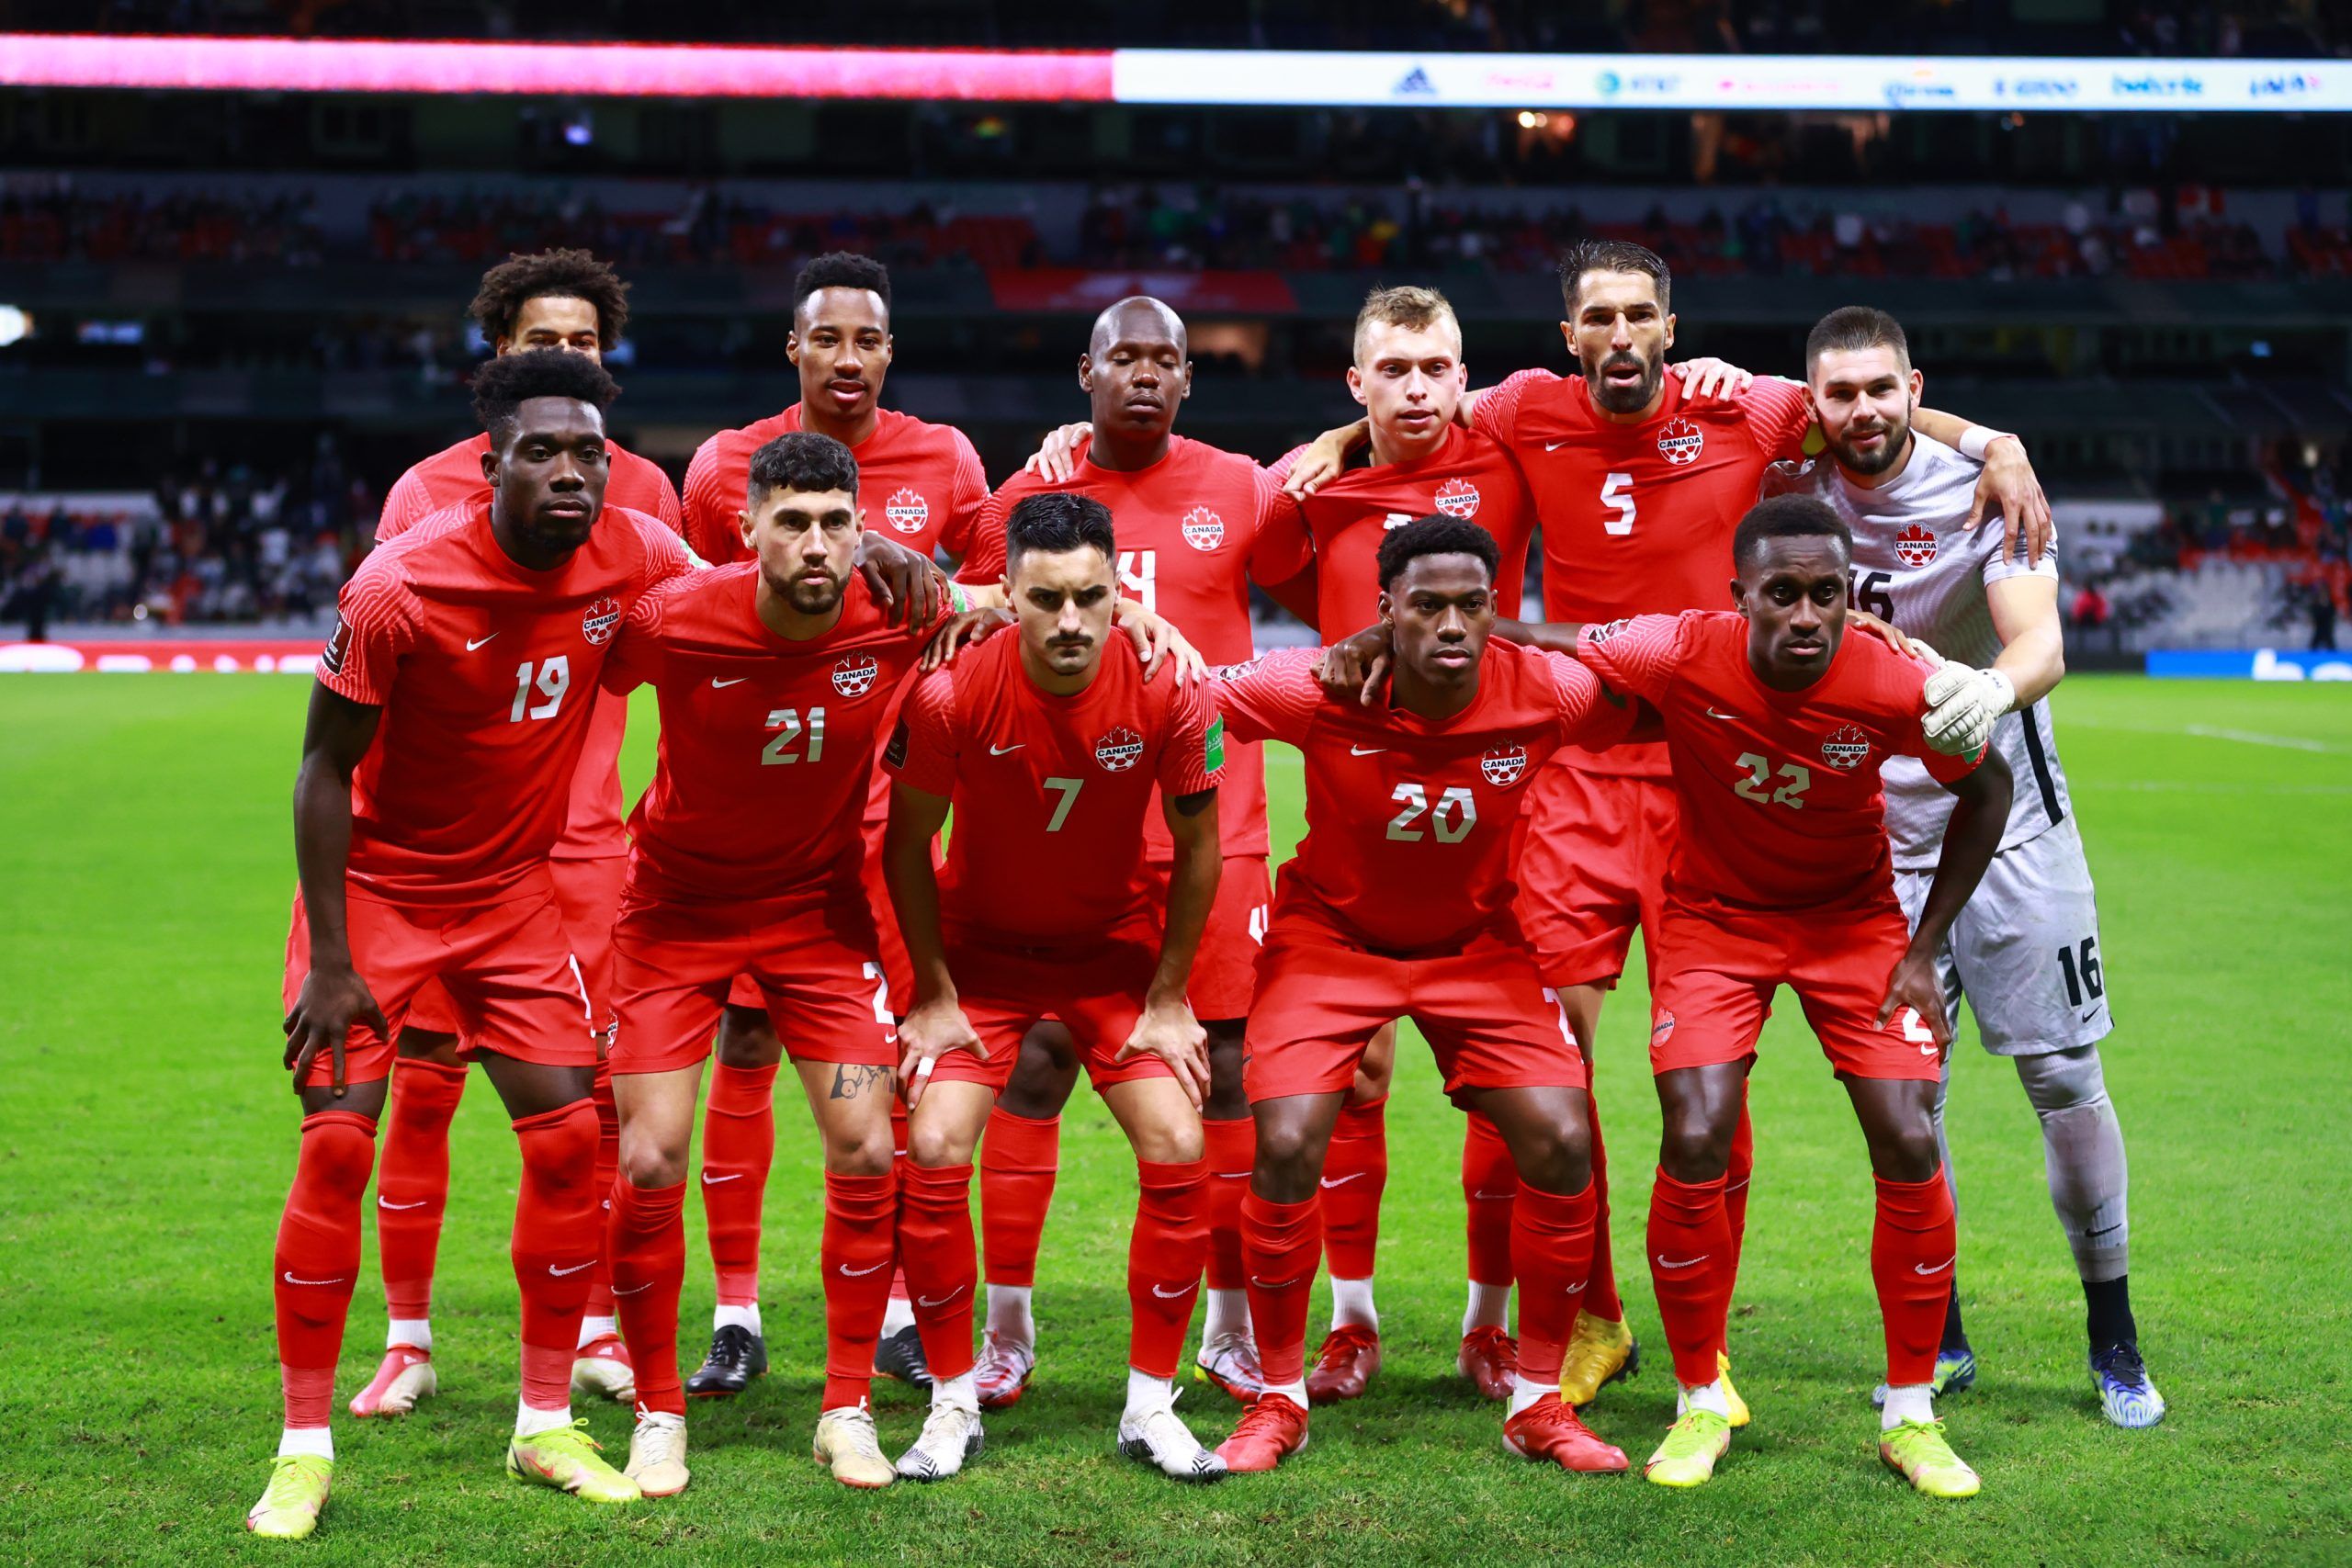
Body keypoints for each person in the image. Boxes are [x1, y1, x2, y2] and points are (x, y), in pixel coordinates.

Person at [1298, 239, 2051, 1419]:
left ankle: (1707, 1345)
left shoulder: (1742, 406)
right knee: (1549, 1055)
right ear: (1568, 334)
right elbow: (1422, 406)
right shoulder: (1526, 406)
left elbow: (1873, 412)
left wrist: (1990, 444)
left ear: (1668, 322)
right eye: (1595, 316)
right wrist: (1337, 441)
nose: (1617, 336)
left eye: (1638, 315)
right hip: (1579, 770)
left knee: (1714, 1083)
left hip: (1717, 769)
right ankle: (1587, 1317)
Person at [251, 350, 693, 1538]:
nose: (570, 472)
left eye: (590, 453)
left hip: (511, 898)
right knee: (340, 1145)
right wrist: (336, 958)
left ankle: (543, 1422)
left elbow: (741, 617)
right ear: (487, 466)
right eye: (542, 451)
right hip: (380, 897)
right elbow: (322, 769)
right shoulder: (398, 587)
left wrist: (922, 588)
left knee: (565, 1145)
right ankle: (303, 1448)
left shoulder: (641, 554)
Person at [1575, 494, 2013, 1498]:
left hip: (1851, 923)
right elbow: (1565, 639)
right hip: (1712, 920)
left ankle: (1910, 1414)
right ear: (1741, 600)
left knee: (1906, 1134)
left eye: (1826, 593)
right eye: (1783, 594)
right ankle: (1698, 1399)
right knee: (1695, 1128)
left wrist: (1921, 950)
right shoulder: (1682, 649)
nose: (1807, 614)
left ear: (1848, 597)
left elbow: (1986, 794)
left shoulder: (1895, 678)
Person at [1787, 305, 2163, 1428]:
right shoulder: (1781, 481)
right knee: (1910, 1097)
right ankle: (1938, 1338)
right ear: (1810, 402)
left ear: (1914, 387)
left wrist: (1986, 694)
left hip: (2007, 827)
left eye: (1881, 390)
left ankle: (2115, 1337)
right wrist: (1992, 429)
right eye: (1837, 394)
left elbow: (2039, 641)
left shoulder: (1984, 490)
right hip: (1864, 841)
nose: (1861, 411)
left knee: (2059, 1077)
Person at [1207, 516, 1642, 1477]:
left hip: (1477, 946)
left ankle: (1536, 1400)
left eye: (1471, 606)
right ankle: (1277, 1397)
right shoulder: (1308, 685)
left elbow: (1656, 698)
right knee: (1281, 1139)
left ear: (1498, 611)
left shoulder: (1550, 692)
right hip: (1332, 942)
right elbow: (1181, 703)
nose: (1451, 624)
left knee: (1562, 1138)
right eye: (1427, 606)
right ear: (1385, 611)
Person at [952, 298, 1312, 1412]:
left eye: (1168, 359)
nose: (1146, 376)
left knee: (1229, 1077)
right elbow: (966, 605)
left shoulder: (1244, 485)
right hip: (1069, 832)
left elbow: (1323, 572)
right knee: (1036, 1064)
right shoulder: (1030, 495)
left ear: (1190, 379)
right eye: (1125, 359)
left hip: (1216, 827)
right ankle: (1004, 1331)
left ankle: (1232, 1327)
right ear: (1085, 372)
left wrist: (1343, 439)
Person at [355, 247, 683, 1424]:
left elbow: (685, 651)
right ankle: (408, 1338)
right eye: (541, 340)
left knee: (589, 1100)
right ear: (498, 357)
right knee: (427, 1083)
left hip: (589, 842)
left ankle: (593, 1324)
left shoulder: (645, 491)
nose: (563, 358)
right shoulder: (424, 491)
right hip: (447, 856)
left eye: (584, 343)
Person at [675, 252, 990, 1397]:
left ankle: (901, 1307)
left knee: (900, 1056)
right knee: (746, 1045)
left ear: (888, 352)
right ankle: (737, 1313)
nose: (848, 358)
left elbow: (994, 579)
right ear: (794, 349)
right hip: (762, 816)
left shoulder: (946, 459)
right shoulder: (723, 468)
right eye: (827, 339)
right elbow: (702, 612)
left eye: (868, 339)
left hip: (891, 810)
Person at [883, 492, 1228, 1484]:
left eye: (1089, 597)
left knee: (1178, 1140)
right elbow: (907, 846)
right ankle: (951, 1404)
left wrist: (1168, 999)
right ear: (1010, 596)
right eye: (1046, 599)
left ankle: (1150, 1408)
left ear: (1120, 592)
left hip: (1110, 956)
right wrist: (933, 995)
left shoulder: (1170, 689)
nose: (1069, 621)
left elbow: (1199, 851)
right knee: (937, 1142)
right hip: (980, 958)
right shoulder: (951, 693)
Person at [1252, 285, 1541, 1403]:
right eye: (1395, 370)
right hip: (1359, 806)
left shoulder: (1511, 455)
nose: (1418, 388)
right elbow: (1274, 594)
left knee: (1515, 1086)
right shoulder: (1311, 486)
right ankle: (1352, 1322)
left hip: (1499, 797)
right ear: (1356, 380)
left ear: (1463, 373)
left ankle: (1488, 1324)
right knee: (1355, 1077)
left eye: (1436, 367)